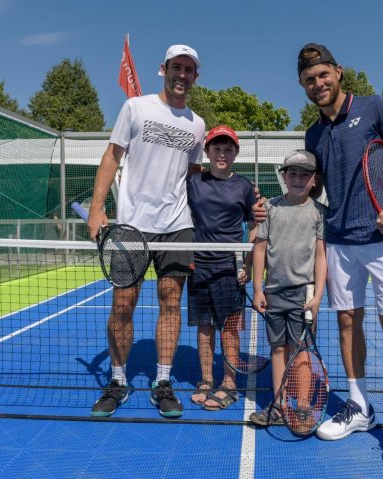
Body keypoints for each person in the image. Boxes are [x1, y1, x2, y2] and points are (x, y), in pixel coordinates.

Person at [297, 43, 383, 477]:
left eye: (323, 75)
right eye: (310, 80)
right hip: (339, 240)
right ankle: (359, 406)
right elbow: (316, 188)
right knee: (347, 321)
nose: (318, 84)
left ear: (338, 72)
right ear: (304, 85)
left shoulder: (374, 108)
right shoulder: (313, 134)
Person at [86, 44, 205, 419]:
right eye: (176, 67)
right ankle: (119, 381)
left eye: (188, 69)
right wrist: (96, 207)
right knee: (123, 303)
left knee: (171, 301)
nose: (182, 74)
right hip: (131, 227)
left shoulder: (197, 125)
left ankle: (163, 381)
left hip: (176, 226)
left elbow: (196, 175)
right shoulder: (135, 108)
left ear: (194, 76)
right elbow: (112, 156)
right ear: (163, 69)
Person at [247, 149, 327, 426]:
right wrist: (258, 289)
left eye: (304, 174)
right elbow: (259, 249)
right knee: (278, 349)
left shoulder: (319, 213)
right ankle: (280, 405)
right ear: (284, 177)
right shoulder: (270, 209)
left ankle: (303, 406)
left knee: (302, 350)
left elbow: (320, 256)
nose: (297, 179)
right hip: (273, 293)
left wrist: (317, 296)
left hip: (303, 295)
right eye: (292, 173)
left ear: (314, 180)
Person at [186, 125, 258, 411]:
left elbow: (254, 226)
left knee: (229, 329)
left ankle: (229, 384)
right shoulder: (193, 182)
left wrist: (249, 265)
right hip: (198, 266)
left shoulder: (244, 186)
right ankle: (206, 379)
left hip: (230, 268)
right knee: (204, 328)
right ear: (207, 151)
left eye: (229, 149)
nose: (222, 153)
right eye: (217, 148)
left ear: (236, 153)